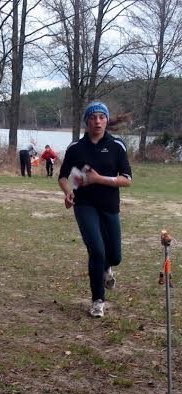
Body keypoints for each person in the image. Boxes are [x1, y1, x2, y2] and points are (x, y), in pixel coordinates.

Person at [58, 101, 132, 318]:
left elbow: (127, 179)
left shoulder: (117, 146)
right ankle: (98, 300)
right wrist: (68, 192)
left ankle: (107, 267)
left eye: (101, 117)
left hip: (109, 205)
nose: (97, 121)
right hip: (84, 205)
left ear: (106, 120)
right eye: (93, 117)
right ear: (86, 121)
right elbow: (63, 177)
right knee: (97, 251)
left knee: (115, 256)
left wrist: (99, 179)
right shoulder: (76, 148)